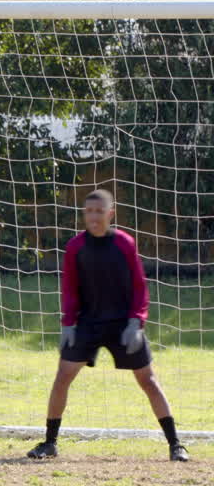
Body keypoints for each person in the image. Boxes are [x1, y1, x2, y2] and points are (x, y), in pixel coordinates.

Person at [28, 189, 188, 462]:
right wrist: (68, 324)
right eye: (89, 211)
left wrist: (136, 321)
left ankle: (176, 445)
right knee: (62, 377)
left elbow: (140, 286)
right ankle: (50, 443)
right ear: (84, 214)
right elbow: (69, 289)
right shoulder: (75, 247)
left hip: (123, 324)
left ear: (110, 214)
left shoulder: (124, 243)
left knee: (148, 380)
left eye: (99, 211)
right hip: (87, 324)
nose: (94, 217)